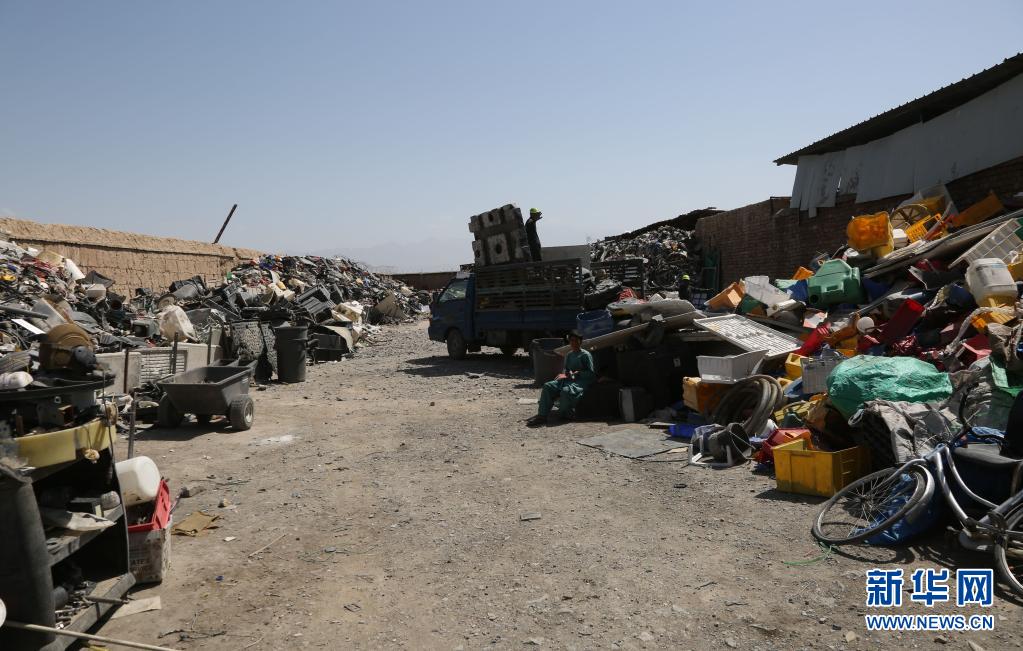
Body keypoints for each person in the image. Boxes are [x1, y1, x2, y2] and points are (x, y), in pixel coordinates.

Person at [526, 331, 596, 427]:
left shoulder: (585, 355)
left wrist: (578, 373)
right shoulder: (569, 355)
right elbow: (566, 369)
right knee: (548, 386)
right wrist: (567, 373)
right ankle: (542, 416)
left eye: (576, 341)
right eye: (571, 340)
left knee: (566, 391)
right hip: (569, 379)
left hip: (581, 381)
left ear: (580, 342)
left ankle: (564, 413)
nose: (574, 343)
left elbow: (591, 373)